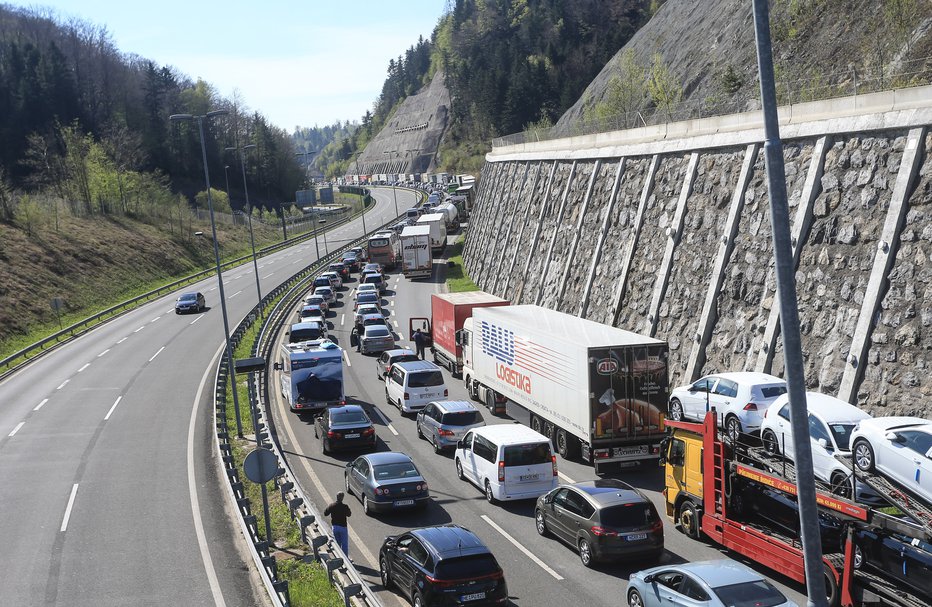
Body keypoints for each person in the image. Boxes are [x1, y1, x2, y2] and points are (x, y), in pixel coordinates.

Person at [324, 491, 352, 558]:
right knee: (344, 544)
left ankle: (338, 558)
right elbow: (349, 514)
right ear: (342, 498)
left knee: (337, 544)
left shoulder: (332, 505)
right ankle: (345, 560)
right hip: (343, 527)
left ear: (336, 497)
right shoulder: (345, 507)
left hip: (335, 527)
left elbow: (325, 513)